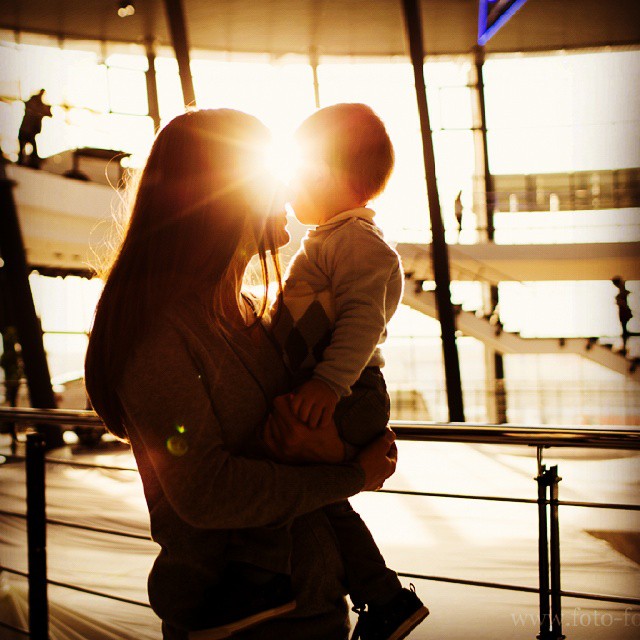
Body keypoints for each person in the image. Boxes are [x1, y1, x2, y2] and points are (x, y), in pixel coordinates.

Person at [84, 109, 398, 640]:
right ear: (224, 196)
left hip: (316, 606)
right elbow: (207, 492)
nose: (288, 187)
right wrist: (350, 474)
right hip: (236, 624)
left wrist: (341, 449)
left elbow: (306, 430)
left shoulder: (259, 317)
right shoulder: (159, 336)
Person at [267, 103, 428, 640]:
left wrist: (327, 384)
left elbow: (363, 320)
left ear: (330, 175)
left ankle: (381, 596)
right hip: (341, 389)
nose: (289, 187)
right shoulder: (332, 239)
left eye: (299, 173)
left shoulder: (357, 243)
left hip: (351, 391)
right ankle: (382, 597)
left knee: (307, 490)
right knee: (323, 499)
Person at [18, 89, 52, 168]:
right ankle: (29, 162)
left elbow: (48, 114)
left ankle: (26, 162)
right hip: (27, 131)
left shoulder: (33, 103)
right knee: (27, 148)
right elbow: (48, 113)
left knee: (25, 148)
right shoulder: (37, 104)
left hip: (26, 131)